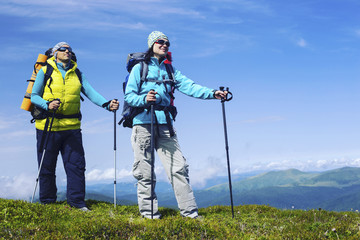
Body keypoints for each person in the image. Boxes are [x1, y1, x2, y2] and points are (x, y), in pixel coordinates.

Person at [124, 31, 228, 219]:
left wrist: (213, 93)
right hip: (143, 124)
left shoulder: (170, 70)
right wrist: (144, 99)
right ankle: (149, 215)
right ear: (151, 44)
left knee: (178, 168)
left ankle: (190, 213)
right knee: (144, 171)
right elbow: (129, 96)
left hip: (165, 124)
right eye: (160, 42)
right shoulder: (139, 68)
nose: (164, 45)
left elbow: (191, 86)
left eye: (167, 43)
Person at [31, 42, 119, 211]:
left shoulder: (77, 73)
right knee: (46, 166)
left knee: (76, 165)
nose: (67, 51)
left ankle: (77, 202)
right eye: (63, 49)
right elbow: (34, 96)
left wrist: (107, 104)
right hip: (47, 126)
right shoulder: (45, 71)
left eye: (70, 50)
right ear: (55, 53)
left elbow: (90, 92)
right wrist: (46, 104)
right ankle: (48, 202)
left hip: (72, 127)